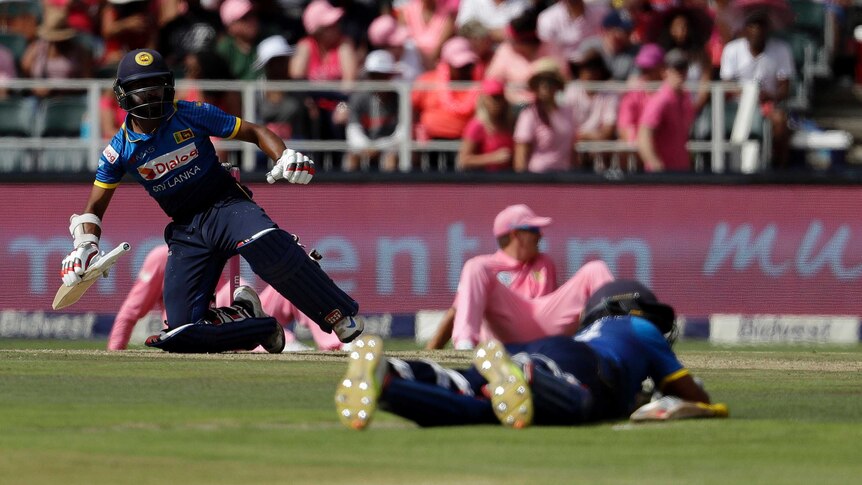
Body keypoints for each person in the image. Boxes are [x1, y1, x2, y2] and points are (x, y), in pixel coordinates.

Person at [59, 48, 363, 354]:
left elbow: (255, 132)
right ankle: (251, 319)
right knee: (182, 331)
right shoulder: (119, 150)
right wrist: (85, 247)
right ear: (124, 95)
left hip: (226, 206)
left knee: (268, 246)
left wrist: (283, 155)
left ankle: (338, 314)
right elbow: (94, 208)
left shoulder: (191, 113)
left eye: (157, 89)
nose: (152, 98)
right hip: (187, 230)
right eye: (143, 92)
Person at [335, 279, 728, 430]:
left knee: (474, 401)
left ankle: (391, 379)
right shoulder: (640, 329)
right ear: (634, 308)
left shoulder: (590, 328)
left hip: (546, 348)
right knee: (579, 402)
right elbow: (694, 396)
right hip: (582, 369)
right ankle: (526, 376)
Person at [107, 245, 343, 351]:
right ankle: (285, 344)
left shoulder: (221, 246)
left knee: (297, 277)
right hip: (208, 331)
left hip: (251, 314)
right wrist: (115, 356)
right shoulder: (162, 258)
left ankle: (337, 345)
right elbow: (129, 313)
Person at [443, 203, 614, 350]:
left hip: (544, 329)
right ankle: (464, 347)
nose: (540, 235)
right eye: (533, 229)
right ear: (515, 234)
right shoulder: (483, 267)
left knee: (595, 268)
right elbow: (457, 311)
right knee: (474, 266)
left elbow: (551, 310)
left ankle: (619, 337)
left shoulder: (544, 262)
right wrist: (429, 352)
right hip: (503, 335)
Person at [719, 9, 795, 168]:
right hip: (736, 105)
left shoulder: (781, 50)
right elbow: (726, 85)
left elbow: (784, 88)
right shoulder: (732, 50)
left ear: (768, 29)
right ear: (745, 29)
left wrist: (768, 96)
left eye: (761, 26)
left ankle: (778, 168)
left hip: (766, 104)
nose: (757, 30)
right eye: (753, 26)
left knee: (781, 122)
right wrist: (748, 93)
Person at [513, 57, 579, 173]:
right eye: (540, 82)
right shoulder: (529, 115)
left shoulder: (569, 111)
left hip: (565, 179)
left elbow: (572, 150)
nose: (545, 86)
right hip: (537, 179)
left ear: (557, 85)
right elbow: (521, 155)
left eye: (549, 81)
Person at [344, 50, 404, 172]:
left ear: (390, 76)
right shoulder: (358, 96)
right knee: (351, 157)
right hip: (364, 146)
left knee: (391, 158)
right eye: (374, 75)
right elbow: (353, 130)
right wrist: (367, 147)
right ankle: (350, 191)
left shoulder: (400, 98)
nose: (378, 80)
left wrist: (378, 147)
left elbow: (402, 134)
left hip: (390, 147)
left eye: (383, 76)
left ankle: (389, 190)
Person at [637, 49, 695, 172]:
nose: (681, 73)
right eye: (676, 68)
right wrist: (656, 166)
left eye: (683, 68)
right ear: (665, 71)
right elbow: (643, 136)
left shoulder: (685, 99)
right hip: (664, 178)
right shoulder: (660, 100)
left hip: (680, 172)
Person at [456, 78, 515, 172]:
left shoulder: (510, 122)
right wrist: (493, 158)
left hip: (508, 179)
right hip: (485, 181)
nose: (497, 102)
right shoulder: (476, 125)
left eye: (499, 97)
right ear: (484, 99)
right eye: (493, 98)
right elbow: (463, 160)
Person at [617, 43, 664, 144]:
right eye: (642, 68)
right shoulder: (634, 91)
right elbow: (625, 124)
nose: (644, 72)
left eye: (649, 68)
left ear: (661, 67)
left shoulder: (671, 92)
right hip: (637, 149)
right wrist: (639, 143)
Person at [214, 0, 261, 81]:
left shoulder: (267, 44)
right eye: (244, 18)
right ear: (230, 27)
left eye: (252, 15)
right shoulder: (224, 49)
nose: (251, 21)